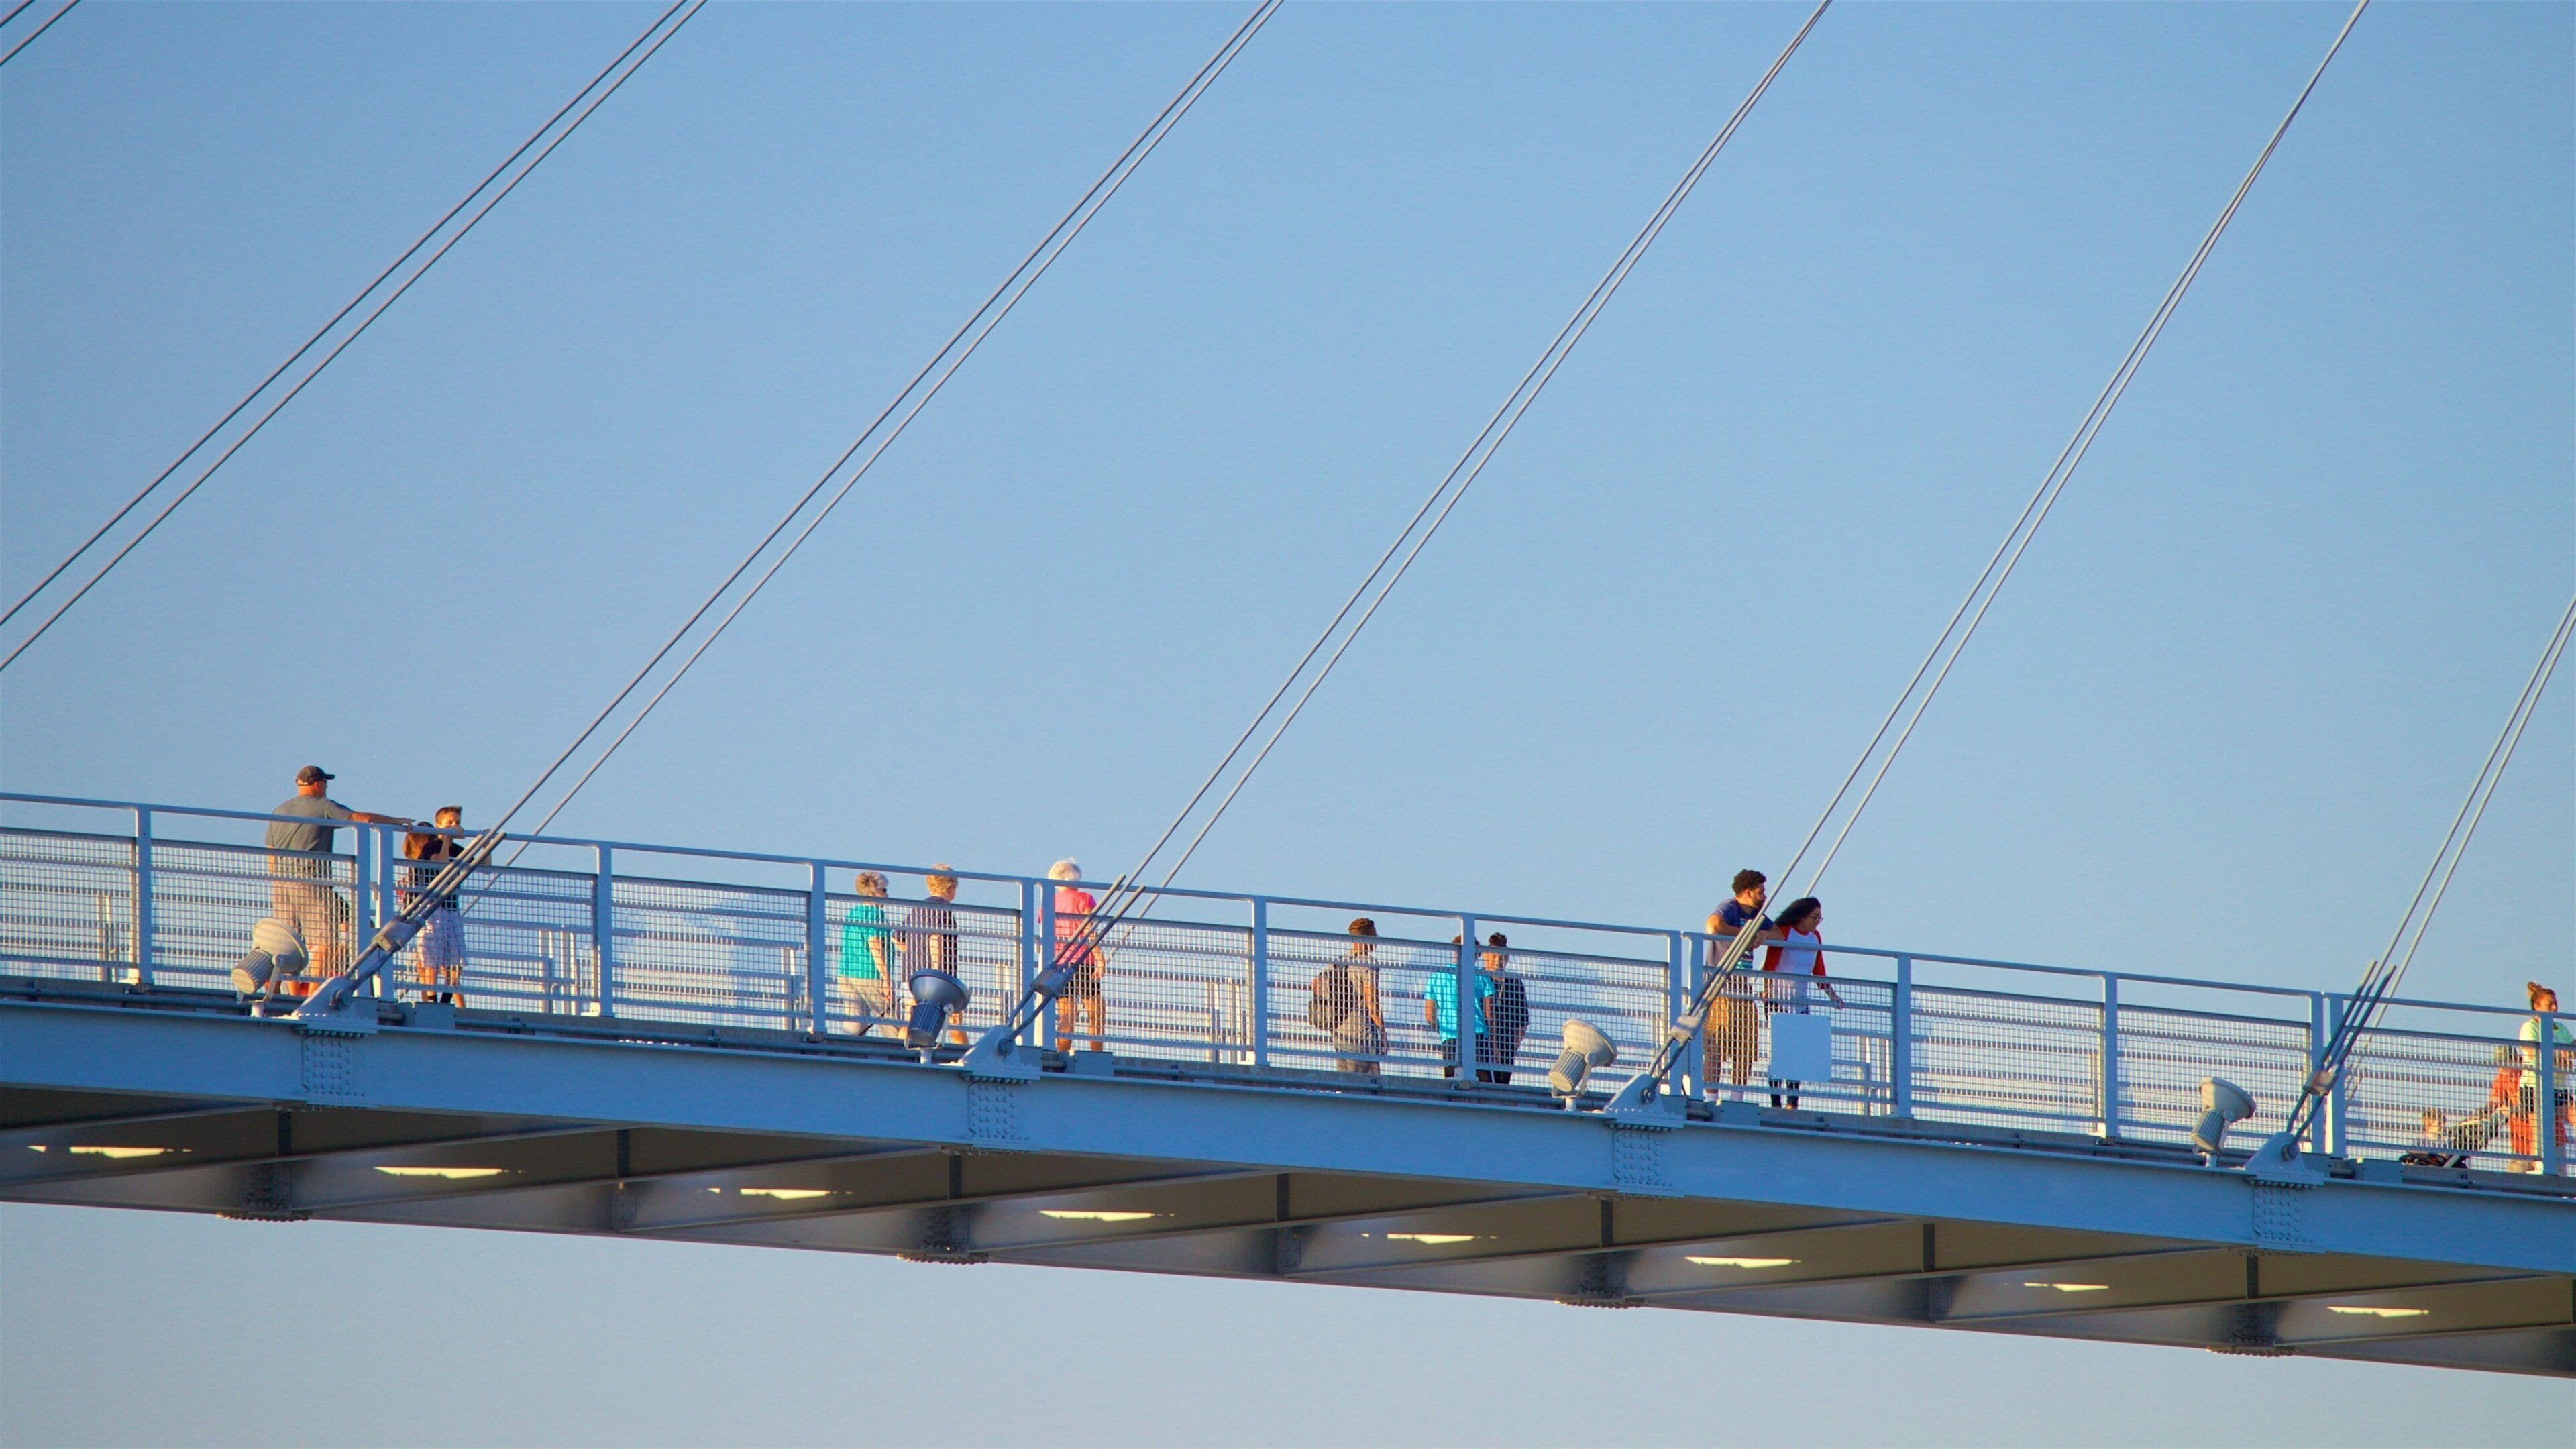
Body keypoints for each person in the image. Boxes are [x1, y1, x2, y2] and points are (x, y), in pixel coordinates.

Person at [264, 767, 412, 993]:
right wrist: (396, 821)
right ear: (317, 784)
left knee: (289, 944)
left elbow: (272, 852)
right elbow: (361, 819)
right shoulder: (322, 805)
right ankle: (313, 995)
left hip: (281, 885)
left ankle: (290, 994)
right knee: (325, 940)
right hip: (312, 882)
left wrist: (278, 880)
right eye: (325, 783)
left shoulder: (279, 810)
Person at [1762, 896, 1843, 1110]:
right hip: (1778, 999)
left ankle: (1793, 1101)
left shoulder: (1815, 937)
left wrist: (1832, 995)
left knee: (1797, 1050)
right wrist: (1766, 990)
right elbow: (1770, 964)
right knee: (1779, 1050)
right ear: (1802, 916)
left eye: (1820, 918)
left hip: (1801, 1000)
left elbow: (1819, 970)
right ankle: (1775, 1100)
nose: (1817, 922)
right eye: (1814, 917)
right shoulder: (1785, 931)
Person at [1702, 871, 1776, 1101]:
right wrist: (1747, 933)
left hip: (1744, 991)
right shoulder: (1730, 907)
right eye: (1761, 891)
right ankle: (1711, 1097)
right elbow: (1713, 926)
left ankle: (1736, 1098)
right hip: (1721, 990)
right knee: (1716, 1047)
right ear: (1747, 892)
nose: (1764, 895)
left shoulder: (1757, 915)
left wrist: (1762, 933)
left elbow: (1780, 934)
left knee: (1746, 1049)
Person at [399, 806, 469, 1005]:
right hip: (432, 908)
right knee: (431, 958)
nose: (455, 826)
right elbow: (441, 864)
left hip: (451, 907)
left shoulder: (458, 850)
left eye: (457, 822)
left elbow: (483, 866)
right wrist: (446, 838)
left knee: (455, 958)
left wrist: (486, 843)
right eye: (450, 823)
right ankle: (431, 999)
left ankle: (446, 999)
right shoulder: (431, 847)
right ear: (439, 826)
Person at [900, 867, 966, 1046]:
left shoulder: (918, 908)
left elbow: (897, 938)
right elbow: (936, 937)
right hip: (938, 980)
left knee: (910, 1019)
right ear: (950, 887)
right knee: (954, 1020)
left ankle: (900, 1053)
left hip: (912, 976)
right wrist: (937, 970)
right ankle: (964, 1054)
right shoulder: (944, 909)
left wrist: (914, 953)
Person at [2511, 981, 2573, 1172]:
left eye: (2555, 1003)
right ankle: (2541, 1170)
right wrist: (2559, 1058)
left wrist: (2569, 1052)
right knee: (2541, 1133)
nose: (2554, 1007)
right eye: (2550, 1004)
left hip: (2559, 1088)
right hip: (2534, 1088)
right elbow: (2532, 1052)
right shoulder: (2530, 1027)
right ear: (2537, 1006)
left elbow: (2571, 1047)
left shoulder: (2560, 1027)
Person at [1049, 859, 1108, 1054]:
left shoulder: (1049, 902)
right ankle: (1097, 1054)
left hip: (1060, 961)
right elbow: (1089, 929)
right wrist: (1099, 957)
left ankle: (1061, 1053)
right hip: (1083, 960)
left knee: (1066, 1013)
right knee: (1096, 1009)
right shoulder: (1084, 898)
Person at [1425, 933, 1499, 1080]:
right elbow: (1489, 1015)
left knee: (1452, 1082)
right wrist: (1495, 1045)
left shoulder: (1436, 977)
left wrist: (1442, 1030)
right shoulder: (1481, 977)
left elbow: (1429, 1017)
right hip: (1477, 1036)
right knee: (1483, 1082)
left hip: (1450, 1035)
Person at [1320, 917, 1387, 1075]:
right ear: (1365, 939)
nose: (1376, 941)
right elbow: (1371, 1000)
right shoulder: (1368, 963)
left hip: (1339, 1034)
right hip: (1362, 1035)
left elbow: (1318, 988)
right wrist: (1382, 1031)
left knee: (1346, 1086)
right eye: (1374, 937)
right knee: (1369, 1086)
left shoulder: (1336, 963)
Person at [837, 872, 894, 1036]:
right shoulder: (875, 914)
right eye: (884, 890)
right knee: (890, 1022)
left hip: (847, 973)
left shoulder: (853, 914)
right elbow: (875, 944)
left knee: (855, 1024)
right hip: (870, 974)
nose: (887, 894)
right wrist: (886, 979)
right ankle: (898, 1056)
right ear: (874, 892)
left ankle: (846, 1054)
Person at [1480, 932, 1530, 1085]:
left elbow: (1522, 1020)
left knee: (1502, 1086)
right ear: (1485, 956)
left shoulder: (1514, 983)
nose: (1498, 962)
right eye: (1494, 957)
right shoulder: (1477, 978)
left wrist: (1513, 1048)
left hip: (1506, 1045)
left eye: (1502, 958)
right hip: (1481, 1043)